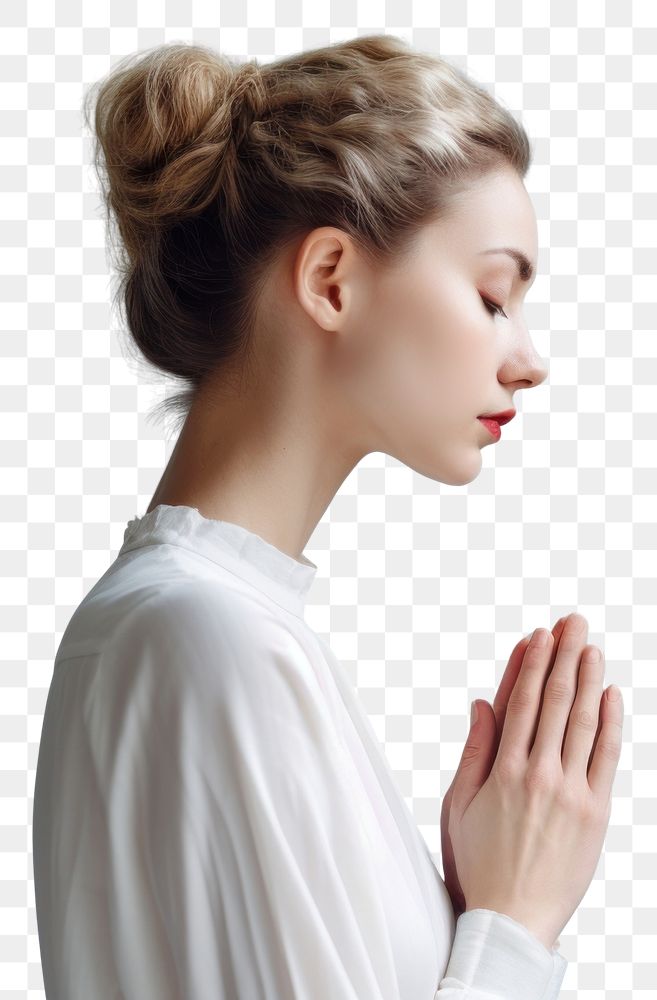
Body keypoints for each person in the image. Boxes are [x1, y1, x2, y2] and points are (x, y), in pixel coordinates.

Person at [32, 34, 623, 999]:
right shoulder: (208, 636)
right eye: (490, 294)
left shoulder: (184, 625)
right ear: (331, 280)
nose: (528, 360)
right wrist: (515, 923)